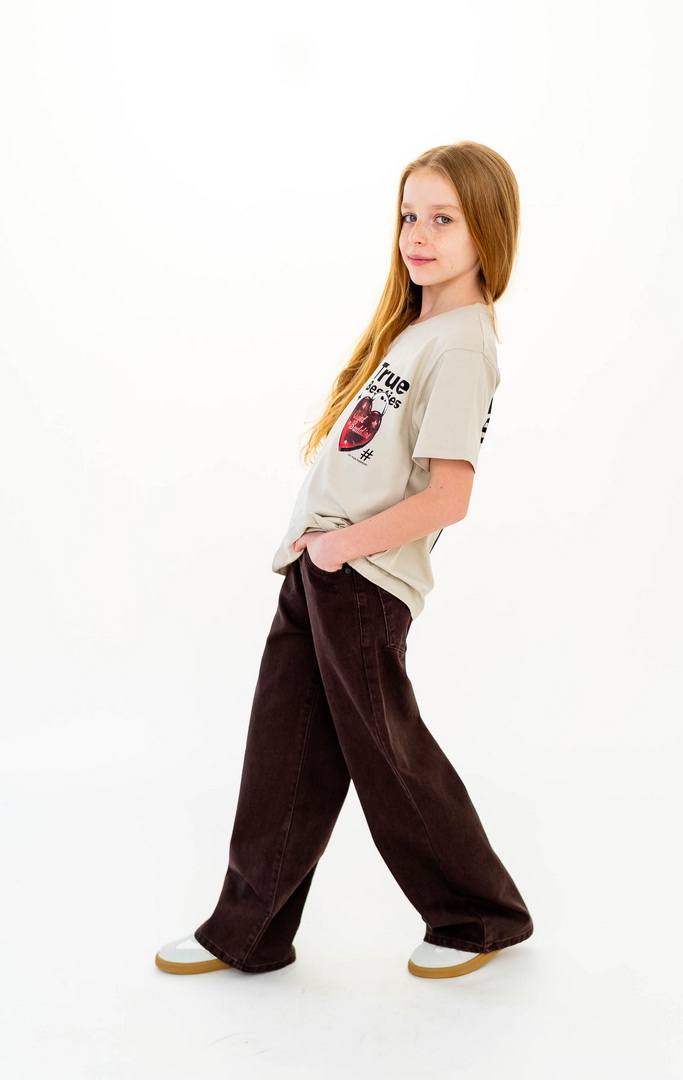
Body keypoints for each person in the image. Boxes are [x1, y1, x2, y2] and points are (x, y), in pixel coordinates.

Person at [155, 140, 534, 981]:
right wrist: (315, 551)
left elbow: (450, 496)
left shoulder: (462, 345)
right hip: (323, 571)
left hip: (361, 577)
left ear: (488, 230)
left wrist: (339, 548)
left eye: (443, 219)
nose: (418, 235)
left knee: (390, 757)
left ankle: (479, 915)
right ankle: (249, 931)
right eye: (409, 215)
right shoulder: (418, 331)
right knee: (284, 753)